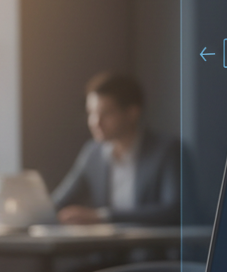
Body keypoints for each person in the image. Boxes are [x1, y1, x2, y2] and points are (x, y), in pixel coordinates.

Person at [51, 72, 181, 225]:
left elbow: (174, 210)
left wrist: (102, 216)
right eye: (91, 113)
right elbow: (60, 201)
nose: (95, 122)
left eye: (105, 113)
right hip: (107, 248)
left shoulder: (166, 151)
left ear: (132, 113)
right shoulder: (93, 152)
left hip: (152, 247)